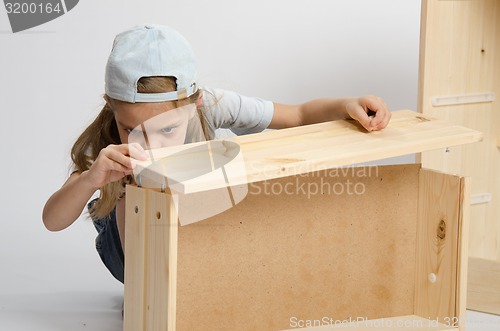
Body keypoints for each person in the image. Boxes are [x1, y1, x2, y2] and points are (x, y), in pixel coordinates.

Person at [42, 24, 391, 284]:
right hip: (128, 256)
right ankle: (150, 288)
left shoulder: (210, 107)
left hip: (191, 234)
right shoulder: (107, 142)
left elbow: (297, 115)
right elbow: (52, 220)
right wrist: (92, 179)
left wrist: (346, 105)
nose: (151, 146)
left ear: (195, 104)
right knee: (129, 191)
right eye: (132, 129)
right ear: (112, 108)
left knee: (231, 178)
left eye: (167, 130)